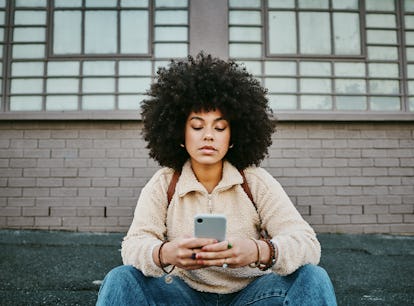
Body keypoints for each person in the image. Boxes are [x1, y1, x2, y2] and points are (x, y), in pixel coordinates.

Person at [96, 53, 337, 305]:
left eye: (219, 128)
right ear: (180, 134)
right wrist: (165, 253)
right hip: (181, 295)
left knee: (313, 277)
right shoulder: (163, 184)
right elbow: (133, 246)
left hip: (252, 296)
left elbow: (308, 244)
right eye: (197, 127)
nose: (208, 136)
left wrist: (259, 251)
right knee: (121, 278)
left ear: (232, 138)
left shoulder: (255, 182)